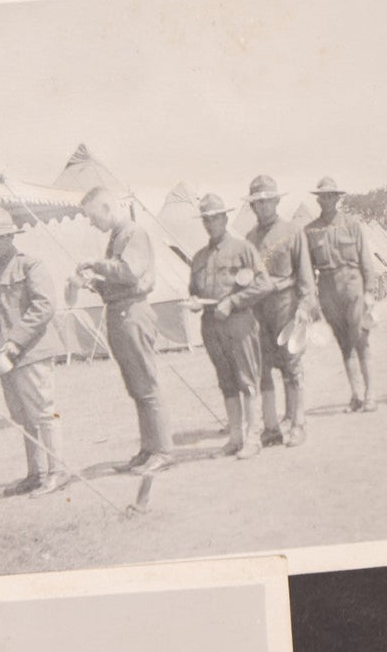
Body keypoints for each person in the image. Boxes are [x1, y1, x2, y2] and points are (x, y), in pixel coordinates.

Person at [74, 186, 174, 474]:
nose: (92, 223)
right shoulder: (118, 237)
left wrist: (96, 264)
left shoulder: (133, 233)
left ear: (107, 208)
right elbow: (120, 279)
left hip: (133, 314)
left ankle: (163, 450)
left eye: (93, 217)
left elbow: (130, 271)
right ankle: (149, 447)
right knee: (136, 386)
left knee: (146, 384)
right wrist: (94, 283)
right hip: (120, 312)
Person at [0, 206, 68, 496]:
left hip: (31, 351)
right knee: (22, 416)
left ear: (11, 236)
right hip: (4, 357)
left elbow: (44, 306)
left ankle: (58, 471)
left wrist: (16, 340)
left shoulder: (31, 265)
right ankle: (36, 472)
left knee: (44, 413)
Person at [187, 194, 270, 459]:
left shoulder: (243, 248)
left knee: (247, 379)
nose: (210, 224)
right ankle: (235, 438)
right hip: (211, 324)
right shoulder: (199, 257)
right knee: (226, 381)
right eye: (206, 219)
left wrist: (233, 302)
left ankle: (253, 437)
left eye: (215, 218)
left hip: (238, 322)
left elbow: (263, 284)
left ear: (225, 218)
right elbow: (194, 291)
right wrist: (194, 302)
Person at [244, 175, 315, 447]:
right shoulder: (250, 237)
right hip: (259, 308)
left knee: (292, 365)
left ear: (276, 201)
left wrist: (305, 307)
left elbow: (305, 274)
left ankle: (298, 423)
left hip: (286, 304)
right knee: (262, 368)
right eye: (256, 202)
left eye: (266, 201)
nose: (261, 207)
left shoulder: (292, 231)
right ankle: (271, 427)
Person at [303, 177, 376, 413]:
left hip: (352, 283)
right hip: (327, 287)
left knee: (361, 339)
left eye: (331, 196)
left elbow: (365, 258)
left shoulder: (351, 224)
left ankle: (370, 393)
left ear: (338, 198)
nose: (327, 200)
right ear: (318, 199)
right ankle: (356, 395)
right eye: (323, 196)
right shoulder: (310, 230)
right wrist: (311, 298)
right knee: (344, 343)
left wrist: (369, 291)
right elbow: (307, 268)